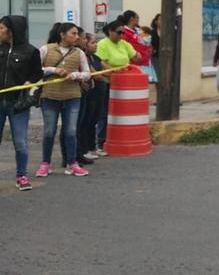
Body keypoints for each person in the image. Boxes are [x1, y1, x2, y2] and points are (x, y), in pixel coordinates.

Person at [35, 22, 91, 178]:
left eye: (77, 34)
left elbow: (87, 73)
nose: (77, 36)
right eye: (73, 33)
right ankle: (45, 163)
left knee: (71, 131)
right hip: (50, 97)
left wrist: (76, 75)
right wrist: (53, 70)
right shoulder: (46, 49)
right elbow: (35, 70)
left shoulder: (79, 53)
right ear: (62, 34)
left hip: (73, 96)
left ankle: (72, 163)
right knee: (49, 131)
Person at [0, 16, 43, 191]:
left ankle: (22, 176)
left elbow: (37, 74)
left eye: (2, 28)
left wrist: (29, 83)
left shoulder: (30, 51)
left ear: (12, 31)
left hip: (18, 104)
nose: (0, 31)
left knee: (20, 142)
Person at [96, 20, 141, 154]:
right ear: (110, 32)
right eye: (119, 32)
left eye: (123, 33)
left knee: (121, 112)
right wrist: (113, 71)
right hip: (108, 82)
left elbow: (135, 57)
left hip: (124, 85)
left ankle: (118, 137)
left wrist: (138, 54)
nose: (121, 35)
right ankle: (101, 141)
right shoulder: (103, 44)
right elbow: (101, 62)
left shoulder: (124, 44)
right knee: (104, 112)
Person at [78, 33, 108, 162]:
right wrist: (105, 77)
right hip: (90, 92)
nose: (95, 45)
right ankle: (86, 148)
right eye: (92, 42)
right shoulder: (84, 57)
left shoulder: (95, 57)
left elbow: (107, 70)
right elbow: (96, 75)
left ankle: (92, 147)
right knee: (87, 121)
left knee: (94, 119)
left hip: (99, 92)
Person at [150, 14, 161, 83]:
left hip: (166, 57)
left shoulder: (169, 32)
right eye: (160, 19)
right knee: (157, 76)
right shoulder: (152, 32)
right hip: (155, 57)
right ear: (156, 22)